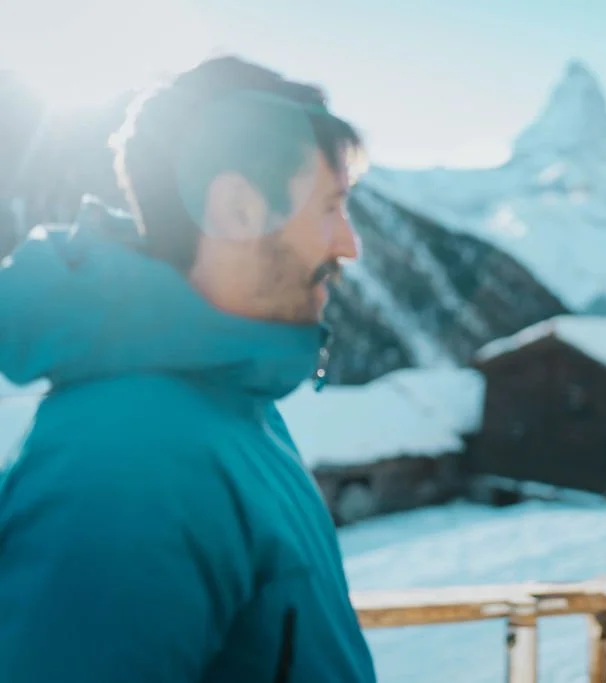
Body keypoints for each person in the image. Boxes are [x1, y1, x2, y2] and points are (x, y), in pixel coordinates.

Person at [0, 56, 376, 683]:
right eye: (331, 207)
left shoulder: (232, 406)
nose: (349, 244)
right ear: (235, 209)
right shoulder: (128, 462)